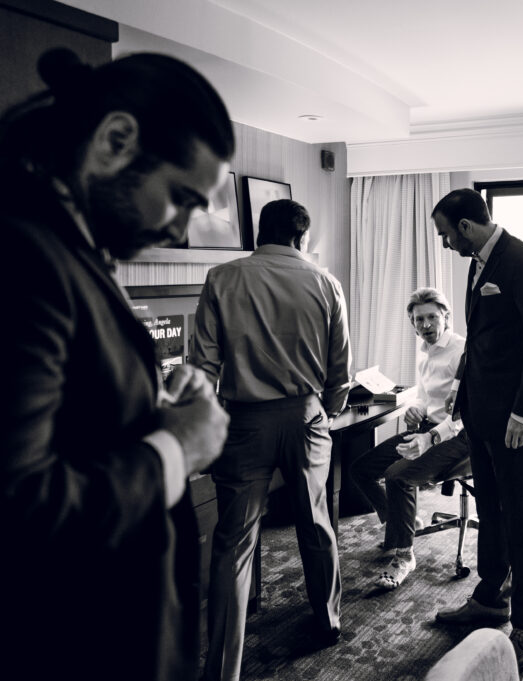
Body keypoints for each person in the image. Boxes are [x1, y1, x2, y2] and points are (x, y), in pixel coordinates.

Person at [0, 48, 232, 681]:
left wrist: (150, 403)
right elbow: (20, 511)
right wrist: (180, 448)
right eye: (180, 198)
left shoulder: (70, 238)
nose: (181, 227)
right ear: (116, 141)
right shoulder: (22, 252)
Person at [192, 199, 351, 681]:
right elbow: (340, 369)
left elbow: (203, 367)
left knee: (233, 543)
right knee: (316, 522)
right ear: (301, 237)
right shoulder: (325, 283)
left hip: (243, 422)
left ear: (259, 232)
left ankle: (222, 668)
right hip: (306, 417)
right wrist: (329, 407)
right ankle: (327, 620)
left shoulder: (222, 277)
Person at [431, 188, 523, 671]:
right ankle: (490, 597)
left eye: (446, 233)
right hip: (482, 412)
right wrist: (461, 393)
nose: (444, 242)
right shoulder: (477, 262)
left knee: (522, 517)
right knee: (490, 508)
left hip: (516, 419)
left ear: (465, 226)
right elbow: (486, 338)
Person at [349, 287, 471, 589]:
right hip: (426, 427)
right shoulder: (425, 355)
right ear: (412, 324)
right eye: (419, 320)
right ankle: (403, 522)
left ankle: (404, 555)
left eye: (432, 318)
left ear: (446, 317)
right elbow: (425, 396)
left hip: (457, 436)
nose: (426, 325)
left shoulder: (462, 352)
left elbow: (464, 413)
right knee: (360, 470)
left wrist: (430, 435)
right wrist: (415, 410)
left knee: (397, 478)